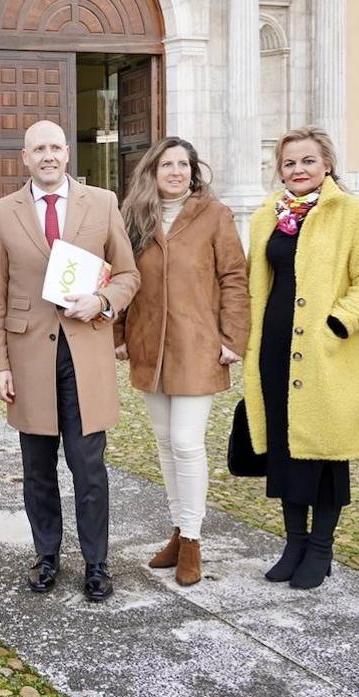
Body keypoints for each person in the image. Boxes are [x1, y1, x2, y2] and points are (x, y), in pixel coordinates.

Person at [0, 119, 140, 601]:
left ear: (67, 153)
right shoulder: (1, 213)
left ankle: (96, 562)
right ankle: (47, 555)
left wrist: (103, 302)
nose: (47, 156)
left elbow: (129, 274)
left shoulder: (103, 203)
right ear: (25, 158)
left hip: (85, 351)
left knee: (87, 464)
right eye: (38, 149)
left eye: (55, 147)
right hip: (29, 354)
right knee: (37, 465)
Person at [244, 126, 359, 590]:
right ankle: (294, 542)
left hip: (325, 353)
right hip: (275, 349)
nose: (298, 170)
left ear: (326, 164)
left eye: (307, 160)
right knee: (286, 449)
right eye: (289, 163)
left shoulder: (353, 213)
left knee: (325, 452)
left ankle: (321, 547)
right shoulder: (266, 215)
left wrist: (338, 322)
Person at [114, 137, 249, 586]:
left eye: (183, 165)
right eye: (166, 164)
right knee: (164, 441)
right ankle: (177, 528)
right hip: (149, 344)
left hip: (197, 344)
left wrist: (233, 337)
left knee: (188, 441)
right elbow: (120, 277)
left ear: (193, 171)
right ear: (152, 172)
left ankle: (192, 539)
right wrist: (119, 334)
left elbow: (233, 277)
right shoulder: (135, 217)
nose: (175, 172)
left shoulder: (215, 215)